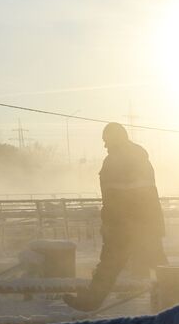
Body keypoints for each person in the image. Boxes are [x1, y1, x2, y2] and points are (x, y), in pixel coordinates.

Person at [65, 122, 167, 312]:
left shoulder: (116, 160)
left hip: (125, 225)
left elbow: (115, 197)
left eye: (106, 140)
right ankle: (178, 299)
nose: (105, 145)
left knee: (110, 265)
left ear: (115, 138)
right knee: (159, 265)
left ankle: (91, 301)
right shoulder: (138, 158)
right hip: (145, 224)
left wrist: (112, 224)